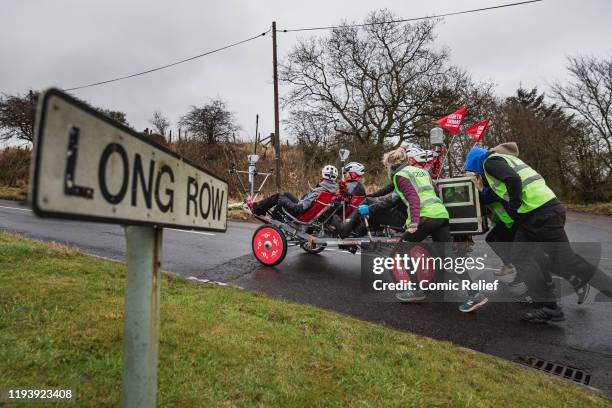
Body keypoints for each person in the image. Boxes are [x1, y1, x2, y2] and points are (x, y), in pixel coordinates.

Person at [463, 144, 612, 322]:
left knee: (564, 261)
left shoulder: (489, 163)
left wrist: (514, 207)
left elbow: (513, 180)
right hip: (542, 212)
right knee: (524, 257)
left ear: (475, 163)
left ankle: (555, 304)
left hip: (541, 214)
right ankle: (549, 306)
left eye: (474, 172)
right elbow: (503, 187)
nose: (477, 176)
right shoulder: (504, 159)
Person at [249, 165, 338, 217]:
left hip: (300, 210)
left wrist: (304, 199)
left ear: (323, 176)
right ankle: (272, 216)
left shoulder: (320, 190)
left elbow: (304, 205)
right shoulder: (331, 190)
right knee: (286, 194)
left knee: (278, 197)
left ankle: (256, 209)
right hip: (306, 210)